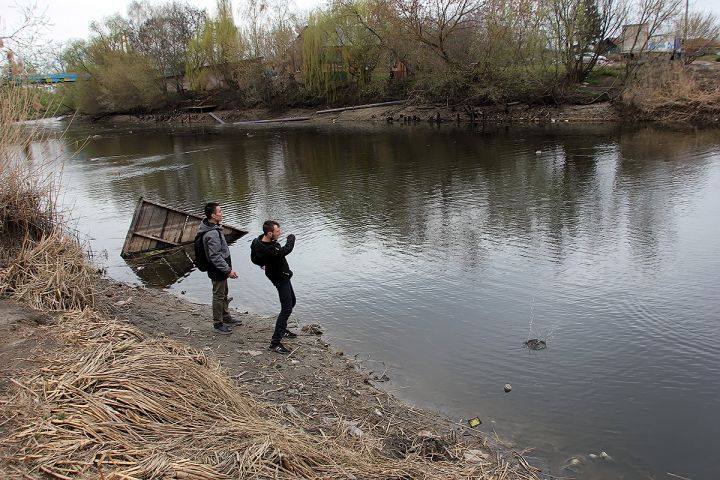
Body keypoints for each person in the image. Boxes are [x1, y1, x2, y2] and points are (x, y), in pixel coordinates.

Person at [250, 220, 298, 354]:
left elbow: (254, 258)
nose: (280, 233)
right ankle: (275, 343)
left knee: (292, 302)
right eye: (277, 231)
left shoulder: (257, 242)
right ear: (269, 233)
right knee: (287, 308)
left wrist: (261, 263)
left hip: (280, 274)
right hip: (279, 277)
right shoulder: (271, 248)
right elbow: (286, 250)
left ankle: (282, 329)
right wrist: (291, 238)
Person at [197, 202, 241, 334]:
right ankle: (218, 323)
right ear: (213, 215)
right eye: (219, 211)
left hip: (221, 269)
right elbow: (215, 256)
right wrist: (228, 270)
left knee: (224, 292)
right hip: (217, 269)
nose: (222, 213)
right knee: (218, 295)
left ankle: (226, 317)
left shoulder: (213, 227)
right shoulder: (212, 234)